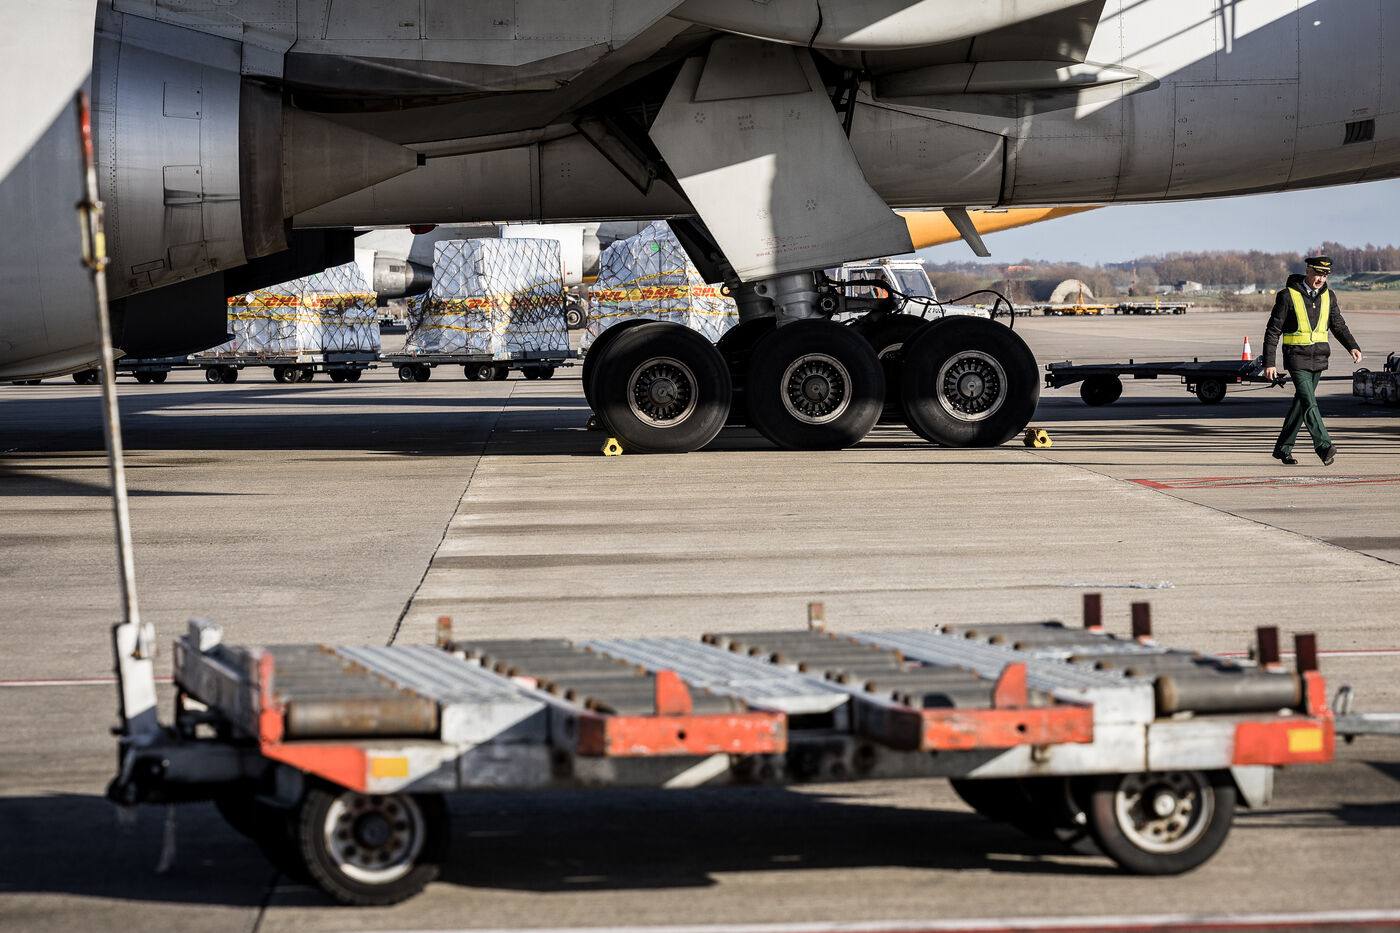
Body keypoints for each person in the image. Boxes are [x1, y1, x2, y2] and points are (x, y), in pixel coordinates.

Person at [1261, 256, 1362, 465]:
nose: (1321, 279)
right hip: (1296, 358)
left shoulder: (1329, 296)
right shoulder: (1287, 296)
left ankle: (1283, 448)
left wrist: (1352, 346)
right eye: (1317, 274)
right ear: (1307, 271)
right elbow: (1273, 331)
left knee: (1301, 403)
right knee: (1309, 402)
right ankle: (1324, 446)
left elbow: (1338, 325)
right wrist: (1269, 363)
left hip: (1319, 358)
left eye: (1325, 275)